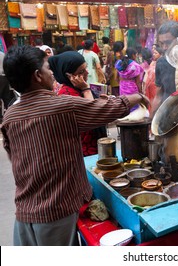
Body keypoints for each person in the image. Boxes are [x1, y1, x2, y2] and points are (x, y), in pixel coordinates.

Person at [1, 45, 149, 246]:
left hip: (24, 212)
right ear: (37, 75)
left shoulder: (10, 115)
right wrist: (138, 96)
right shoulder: (62, 106)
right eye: (47, 68)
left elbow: (16, 160)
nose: (52, 72)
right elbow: (108, 108)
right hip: (56, 211)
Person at [48, 51, 107, 156]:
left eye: (86, 68)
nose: (87, 72)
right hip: (84, 151)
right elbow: (94, 114)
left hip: (92, 146)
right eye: (81, 71)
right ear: (69, 76)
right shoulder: (67, 94)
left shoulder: (77, 88)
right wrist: (86, 90)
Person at [153, 20, 178, 114]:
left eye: (168, 42)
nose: (164, 47)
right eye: (161, 43)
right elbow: (158, 95)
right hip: (169, 113)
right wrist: (151, 119)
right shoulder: (161, 62)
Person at [143, 46, 163, 112]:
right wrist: (144, 86)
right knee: (150, 102)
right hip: (149, 86)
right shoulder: (152, 63)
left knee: (156, 101)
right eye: (153, 53)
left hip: (156, 86)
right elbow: (147, 75)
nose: (154, 54)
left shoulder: (162, 63)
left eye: (156, 53)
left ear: (161, 54)